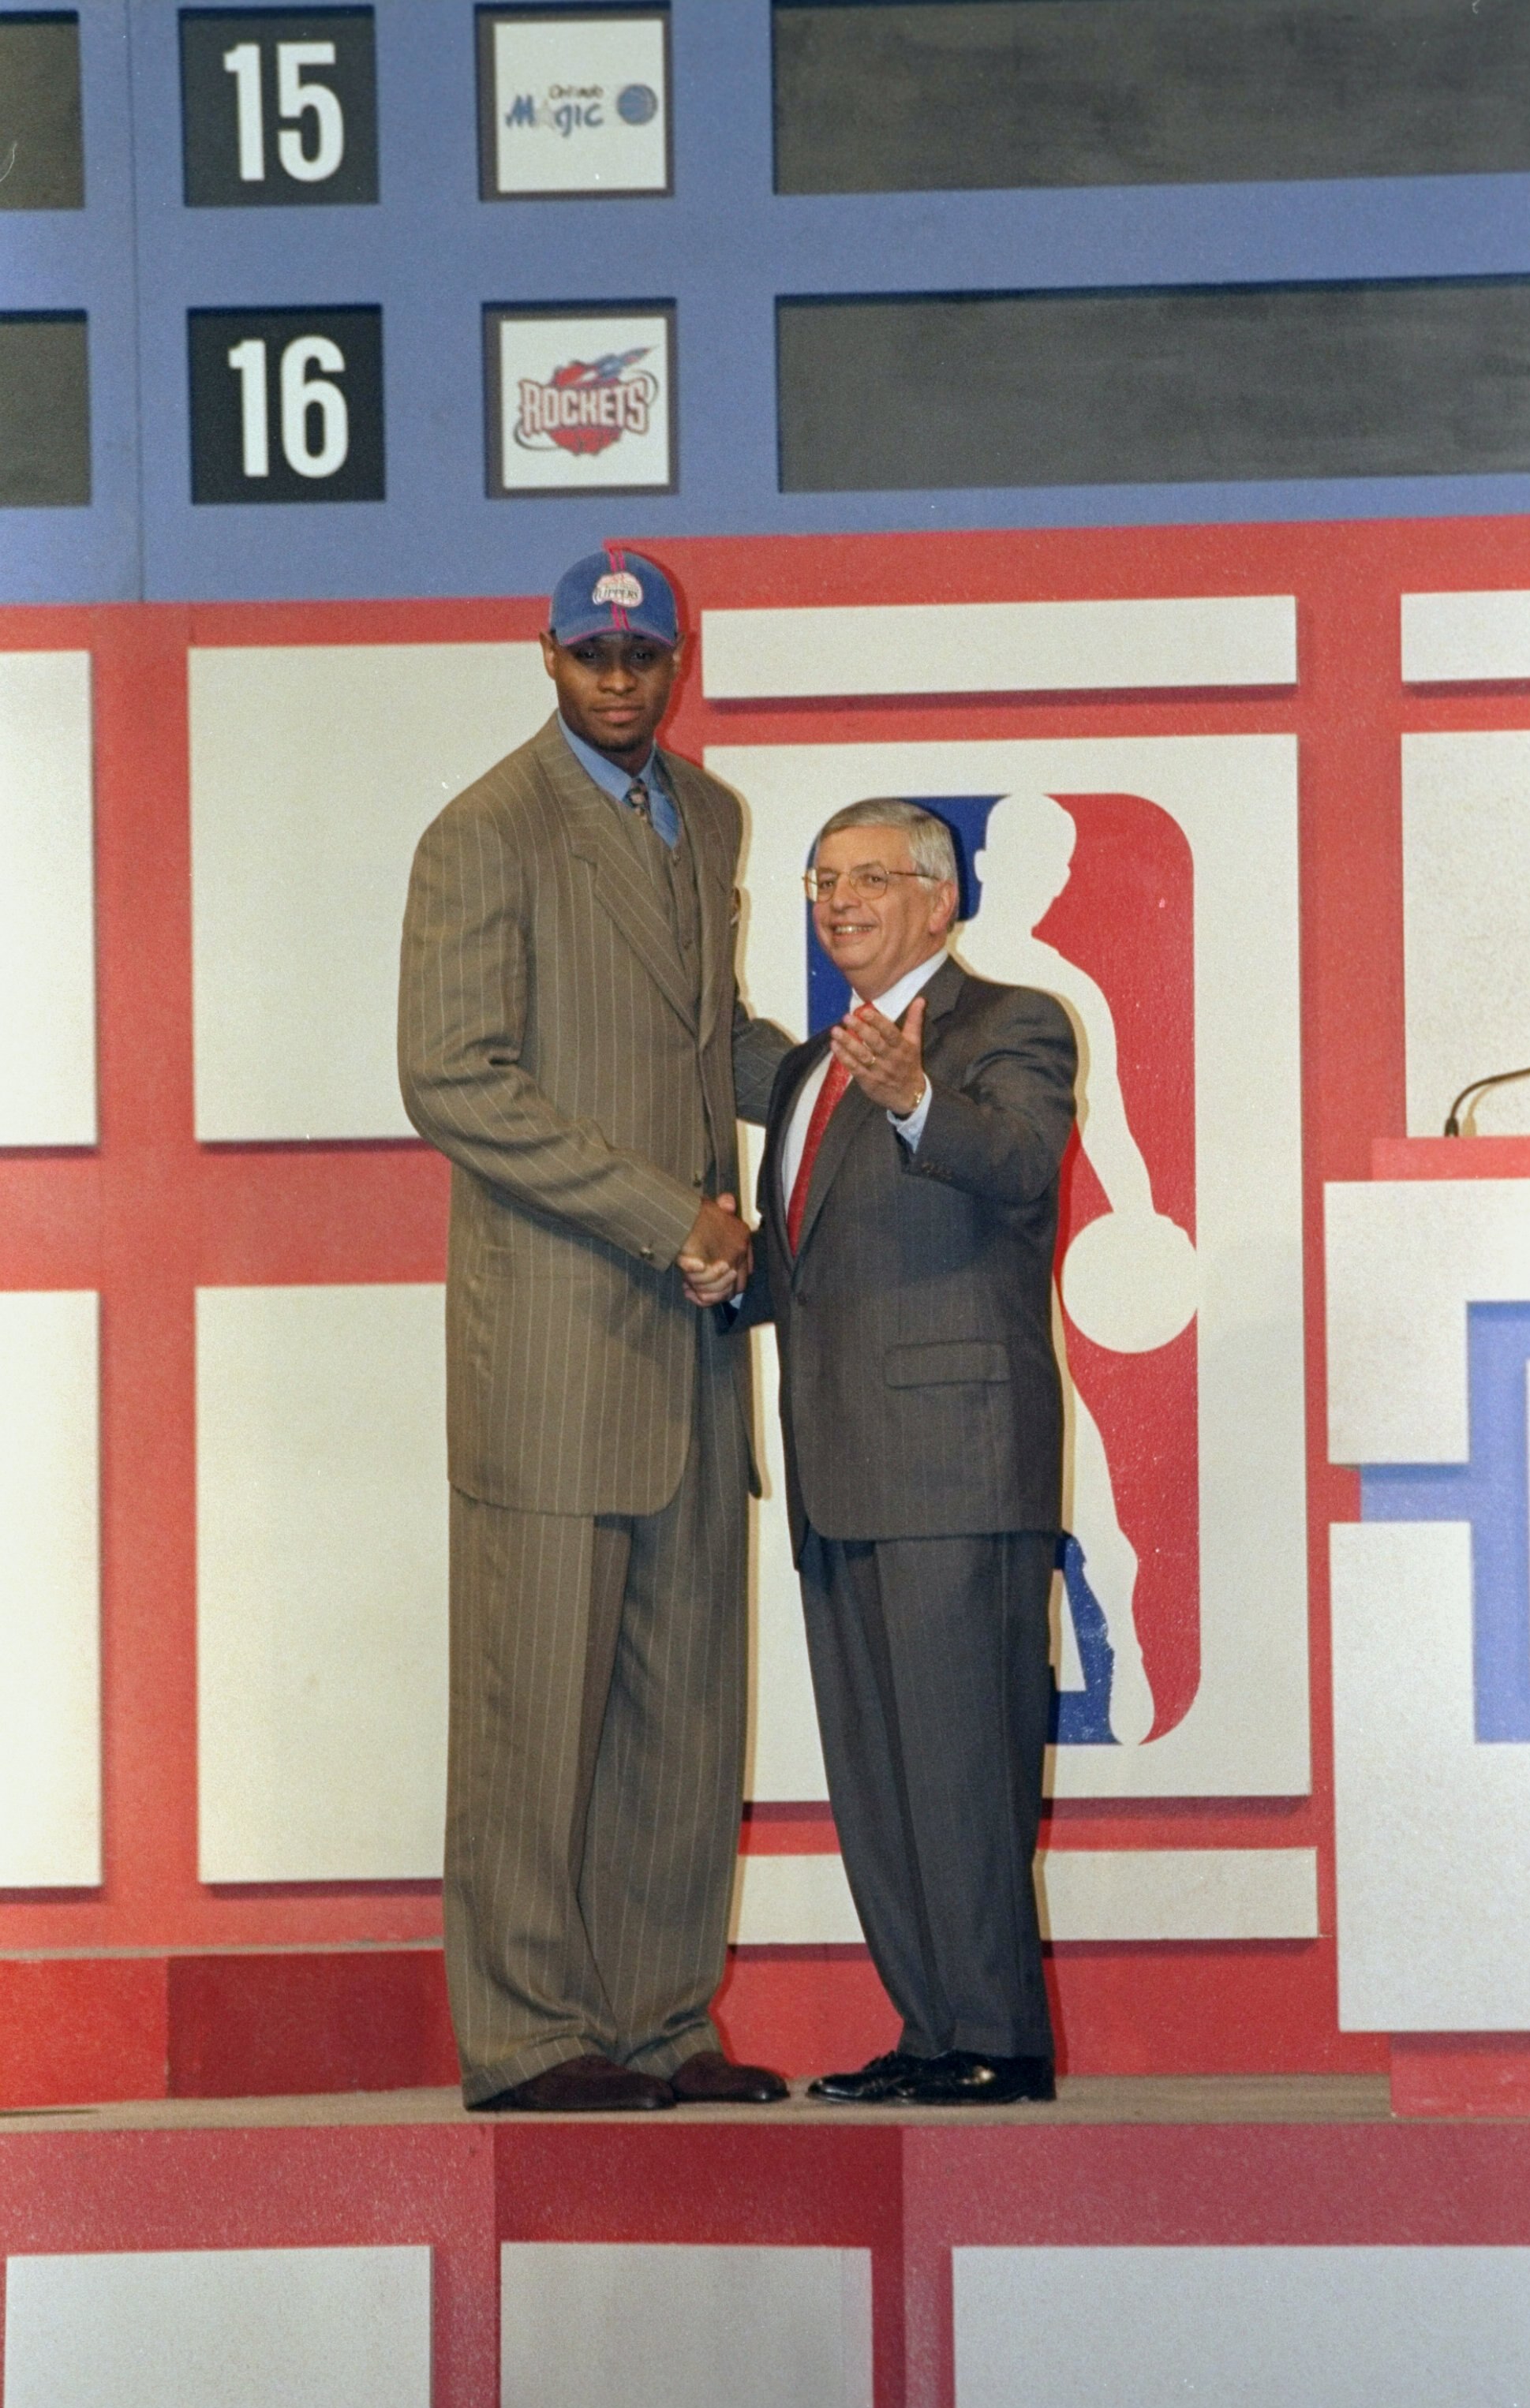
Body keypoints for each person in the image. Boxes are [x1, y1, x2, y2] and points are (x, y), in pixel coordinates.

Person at [398, 546, 794, 2113]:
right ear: (547, 656)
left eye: (642, 659)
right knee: (531, 1718)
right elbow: (454, 1079)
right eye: (591, 657)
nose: (618, 683)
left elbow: (705, 1042)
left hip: (691, 1348)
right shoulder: (485, 830)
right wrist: (664, 1213)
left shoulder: (708, 815)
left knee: (683, 1712)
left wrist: (843, 1084)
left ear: (677, 661)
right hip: (557, 1348)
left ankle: (657, 2023)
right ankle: (525, 2039)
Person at [711, 798, 1077, 2104]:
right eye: (822, 880)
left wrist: (917, 1099)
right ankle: (932, 2032)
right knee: (877, 1777)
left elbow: (1020, 1163)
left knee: (963, 1763)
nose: (840, 901)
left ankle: (998, 2040)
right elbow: (816, 1263)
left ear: (941, 896)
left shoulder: (1008, 1024)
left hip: (953, 1463)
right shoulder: (809, 1072)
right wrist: (730, 1274)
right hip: (838, 1469)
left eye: (870, 876)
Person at [960, 793, 1196, 1748]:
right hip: (917, 1289)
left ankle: (1123, 1652)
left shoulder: (1063, 990)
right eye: (1025, 863)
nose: (1043, 884)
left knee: (1079, 1481)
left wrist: (1140, 1222)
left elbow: (1108, 1131)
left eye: (1053, 869)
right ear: (983, 867)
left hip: (1017, 1289)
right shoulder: (922, 973)